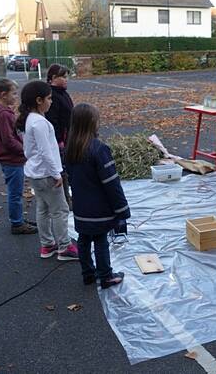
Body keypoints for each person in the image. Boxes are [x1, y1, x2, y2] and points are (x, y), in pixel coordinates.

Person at [65, 103, 130, 289]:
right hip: (99, 208)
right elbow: (111, 182)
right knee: (101, 240)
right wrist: (122, 209)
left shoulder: (71, 147)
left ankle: (88, 273)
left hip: (80, 207)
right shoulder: (99, 149)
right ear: (92, 123)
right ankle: (106, 276)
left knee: (84, 239)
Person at [16, 80, 78, 261]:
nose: (51, 102)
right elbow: (46, 151)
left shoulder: (29, 119)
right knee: (60, 210)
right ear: (38, 100)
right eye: (49, 98)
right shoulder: (39, 123)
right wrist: (56, 173)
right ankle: (65, 247)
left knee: (43, 209)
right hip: (46, 174)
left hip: (36, 173)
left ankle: (47, 244)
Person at [0, 79, 38, 235]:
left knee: (16, 191)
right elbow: (8, 140)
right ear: (3, 95)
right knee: (15, 192)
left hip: (12, 159)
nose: (16, 96)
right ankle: (17, 223)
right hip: (11, 160)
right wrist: (25, 150)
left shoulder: (4, 112)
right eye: (14, 93)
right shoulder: (3, 115)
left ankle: (18, 218)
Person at [45, 64, 74, 209]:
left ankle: (68, 197)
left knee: (67, 169)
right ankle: (65, 200)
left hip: (68, 136)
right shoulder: (53, 95)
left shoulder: (63, 93)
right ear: (53, 78)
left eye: (66, 76)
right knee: (61, 170)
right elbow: (53, 119)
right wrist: (59, 140)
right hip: (60, 139)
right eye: (63, 77)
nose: (66, 79)